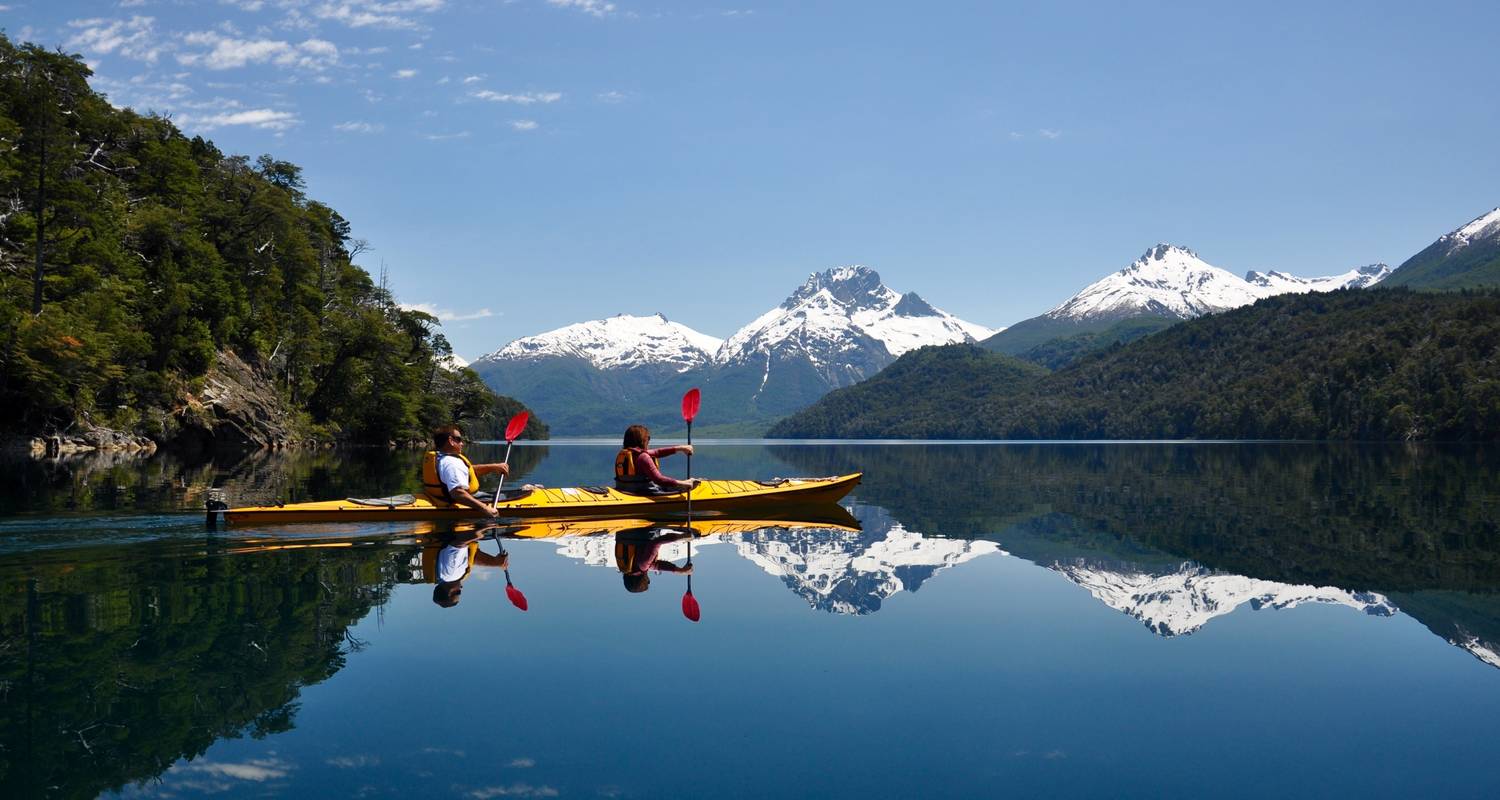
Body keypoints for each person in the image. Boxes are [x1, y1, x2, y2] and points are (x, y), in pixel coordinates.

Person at [421, 424, 509, 516]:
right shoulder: (452, 463)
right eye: (459, 439)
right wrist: (485, 508)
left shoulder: (441, 458)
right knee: (503, 497)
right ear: (451, 441)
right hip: (457, 500)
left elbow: (468, 473)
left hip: (438, 497)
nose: (462, 443)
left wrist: (494, 467)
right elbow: (458, 493)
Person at [428, 528, 510, 608]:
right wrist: (494, 562)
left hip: (458, 528)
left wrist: (483, 529)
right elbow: (471, 557)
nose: (461, 588)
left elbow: (458, 544)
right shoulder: (455, 576)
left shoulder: (450, 573)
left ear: (450, 592)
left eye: (458, 592)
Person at [613, 424, 697, 494]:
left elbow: (657, 452)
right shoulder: (643, 457)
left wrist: (681, 448)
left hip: (624, 491)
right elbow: (659, 480)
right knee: (678, 487)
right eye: (648, 438)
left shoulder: (627, 454)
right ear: (642, 440)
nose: (648, 441)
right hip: (642, 493)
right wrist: (684, 483)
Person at [614, 525, 694, 593]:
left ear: (641, 581)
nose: (649, 581)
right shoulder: (628, 567)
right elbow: (656, 566)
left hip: (642, 529)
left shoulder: (642, 566)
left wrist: (681, 537)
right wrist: (678, 570)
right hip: (623, 531)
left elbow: (656, 542)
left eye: (646, 583)